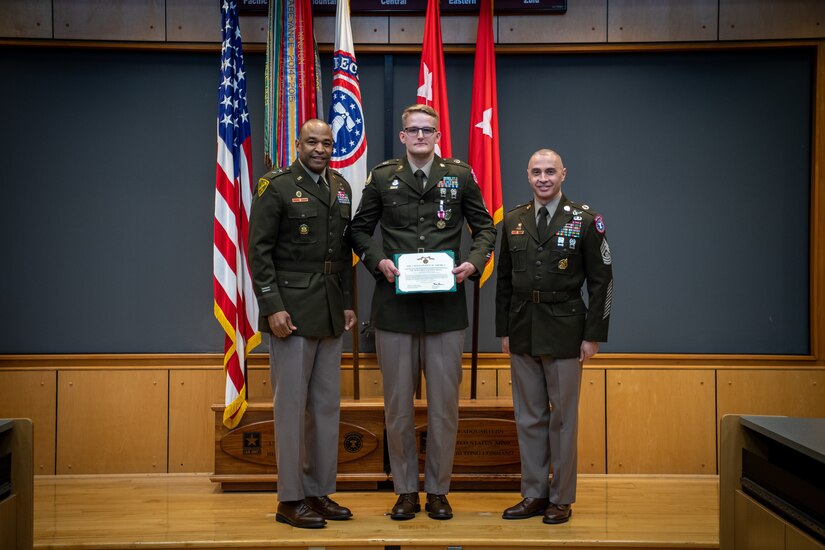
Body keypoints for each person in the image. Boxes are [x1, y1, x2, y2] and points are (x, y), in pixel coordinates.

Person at [348, 104, 496, 520]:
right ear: (402, 136)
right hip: (395, 308)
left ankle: (438, 491)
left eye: (427, 130)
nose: (419, 136)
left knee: (444, 407)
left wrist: (475, 262)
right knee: (397, 407)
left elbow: (485, 228)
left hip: (446, 309)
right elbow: (360, 229)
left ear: (437, 136)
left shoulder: (460, 176)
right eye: (412, 130)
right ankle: (405, 490)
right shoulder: (382, 177)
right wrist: (378, 261)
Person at [495, 148, 613, 525]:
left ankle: (561, 497)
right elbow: (503, 282)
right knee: (528, 417)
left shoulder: (585, 219)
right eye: (536, 172)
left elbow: (602, 282)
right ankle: (533, 493)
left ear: (564, 174)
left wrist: (592, 335)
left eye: (550, 171)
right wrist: (504, 331)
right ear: (527, 176)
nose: (543, 178)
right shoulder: (513, 219)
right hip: (523, 327)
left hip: (566, 328)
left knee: (562, 419)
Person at [249, 119, 356, 529]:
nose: (320, 148)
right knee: (291, 409)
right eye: (312, 141)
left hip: (329, 311)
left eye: (327, 142)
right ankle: (289, 499)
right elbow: (259, 252)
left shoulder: (341, 187)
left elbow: (341, 252)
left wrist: (346, 302)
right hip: (289, 313)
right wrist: (272, 306)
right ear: (297, 143)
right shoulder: (275, 186)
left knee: (326, 409)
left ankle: (318, 490)